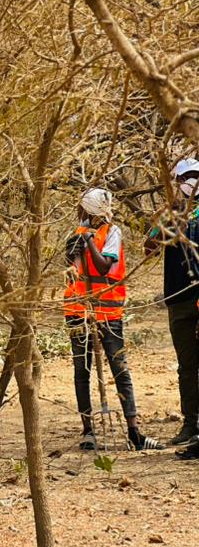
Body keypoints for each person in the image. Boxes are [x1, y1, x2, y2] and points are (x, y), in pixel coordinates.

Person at [64, 188, 163, 451]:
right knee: (82, 371)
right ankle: (88, 431)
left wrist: (89, 242)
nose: (79, 212)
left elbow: (104, 266)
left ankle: (134, 432)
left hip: (108, 312)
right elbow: (72, 266)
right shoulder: (77, 233)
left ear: (90, 210)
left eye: (82, 208)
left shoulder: (112, 232)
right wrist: (73, 250)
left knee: (120, 369)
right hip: (78, 310)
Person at [146, 158, 199, 448]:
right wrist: (169, 218)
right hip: (178, 298)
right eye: (186, 177)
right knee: (186, 365)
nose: (192, 182)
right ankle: (190, 424)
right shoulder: (171, 214)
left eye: (196, 176)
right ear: (177, 182)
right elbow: (149, 247)